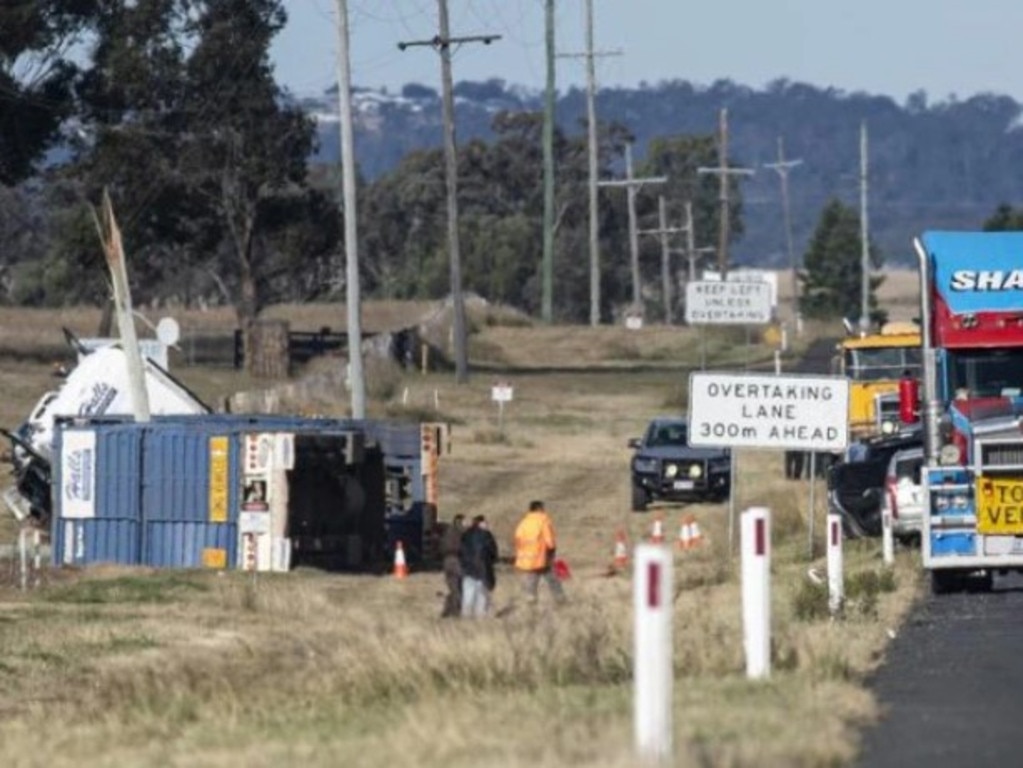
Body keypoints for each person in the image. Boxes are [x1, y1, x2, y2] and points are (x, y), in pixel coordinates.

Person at [513, 500, 566, 605]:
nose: (544, 510)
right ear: (539, 508)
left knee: (532, 579)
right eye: (542, 508)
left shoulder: (523, 522)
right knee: (552, 578)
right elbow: (549, 539)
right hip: (543, 556)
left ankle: (530, 598)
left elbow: (517, 539)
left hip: (528, 558)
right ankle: (560, 599)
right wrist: (552, 549)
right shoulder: (543, 520)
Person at [460, 515, 498, 618]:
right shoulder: (486, 535)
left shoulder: (465, 535)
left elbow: (460, 551)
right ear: (480, 523)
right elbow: (493, 553)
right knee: (481, 596)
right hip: (483, 569)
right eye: (485, 522)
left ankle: (466, 616)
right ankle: (480, 618)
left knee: (468, 595)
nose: (487, 524)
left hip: (467, 569)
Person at [439, 513, 465, 618]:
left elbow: (441, 547)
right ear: (459, 522)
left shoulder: (448, 532)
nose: (465, 524)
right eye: (463, 522)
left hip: (447, 562)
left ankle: (446, 612)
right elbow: (461, 548)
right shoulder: (459, 533)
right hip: (455, 562)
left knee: (453, 588)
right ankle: (455, 613)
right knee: (458, 589)